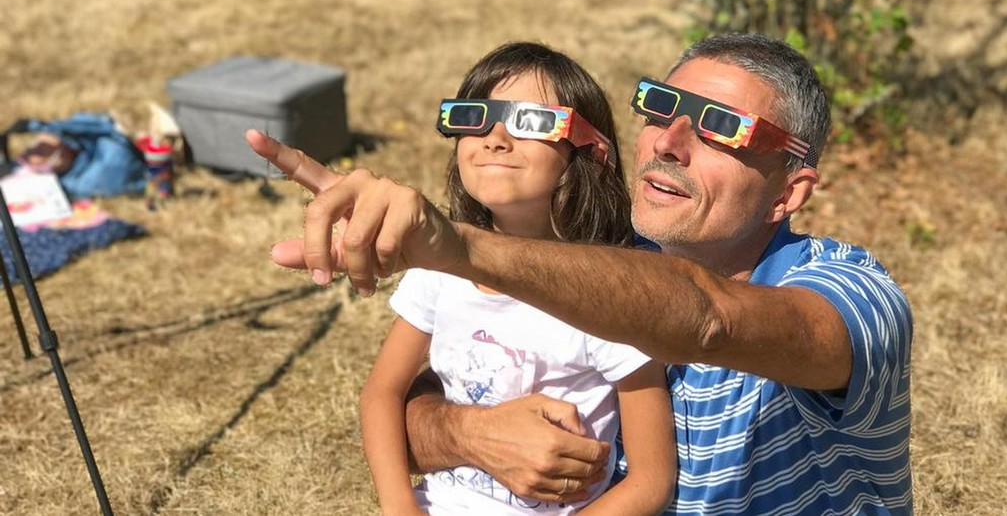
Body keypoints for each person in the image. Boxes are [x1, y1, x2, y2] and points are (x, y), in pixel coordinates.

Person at [247, 33, 914, 515]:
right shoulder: (595, 260)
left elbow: (708, 318)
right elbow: (414, 395)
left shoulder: (854, 296)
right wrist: (474, 433)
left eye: (721, 129)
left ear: (789, 192)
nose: (667, 142)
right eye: (660, 107)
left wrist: (460, 249)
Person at [350, 43, 677, 515]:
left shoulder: (608, 296)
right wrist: (399, 504)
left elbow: (651, 480)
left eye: (532, 121)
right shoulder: (439, 268)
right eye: (474, 118)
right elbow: (382, 391)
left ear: (591, 151)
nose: (495, 138)